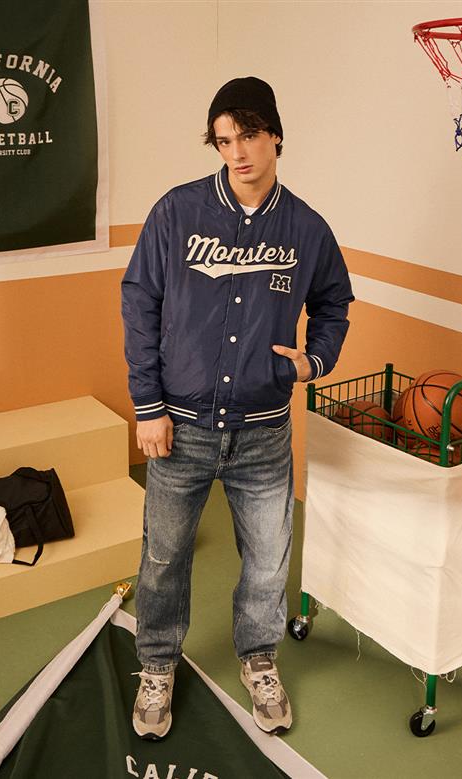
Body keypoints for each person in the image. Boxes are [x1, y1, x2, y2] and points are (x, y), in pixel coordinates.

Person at [121, 76, 354, 740]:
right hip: (181, 425)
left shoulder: (306, 228)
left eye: (248, 135)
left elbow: (334, 302)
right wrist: (148, 405)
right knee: (164, 556)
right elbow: (139, 302)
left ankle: (259, 657)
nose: (237, 153)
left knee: (269, 558)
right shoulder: (177, 212)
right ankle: (157, 665)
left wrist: (313, 361)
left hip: (262, 432)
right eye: (224, 141)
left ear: (275, 134)